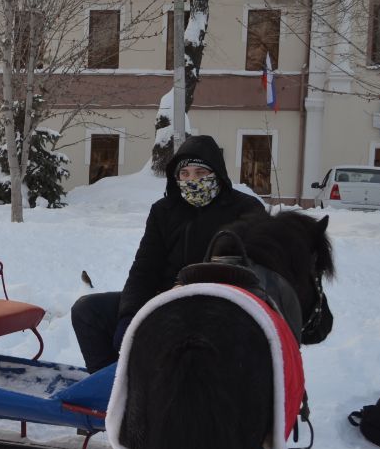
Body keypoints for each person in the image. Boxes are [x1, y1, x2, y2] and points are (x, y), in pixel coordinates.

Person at [71, 134, 266, 374]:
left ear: (216, 173)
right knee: (87, 311)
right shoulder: (164, 211)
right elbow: (145, 268)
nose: (192, 180)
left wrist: (191, 286)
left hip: (217, 309)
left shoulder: (246, 211)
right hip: (163, 301)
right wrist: (128, 315)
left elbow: (256, 273)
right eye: (184, 174)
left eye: (200, 173)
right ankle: (112, 388)